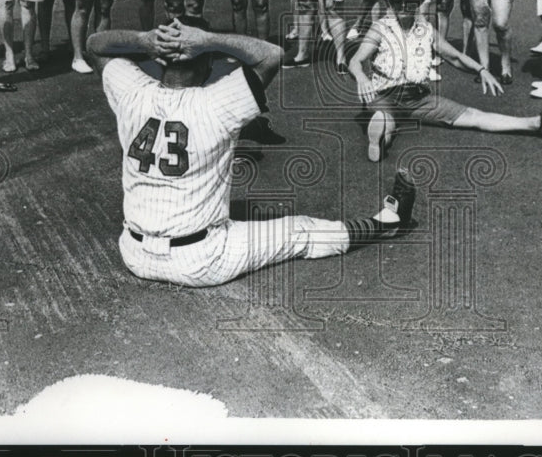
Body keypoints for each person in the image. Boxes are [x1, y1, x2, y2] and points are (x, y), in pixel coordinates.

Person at [86, 18, 419, 288]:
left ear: (160, 61)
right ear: (207, 66)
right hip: (200, 260)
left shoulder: (132, 91)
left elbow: (95, 45)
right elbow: (270, 55)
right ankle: (387, 222)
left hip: (133, 252)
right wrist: (209, 39)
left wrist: (145, 39)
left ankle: (386, 222)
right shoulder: (215, 102)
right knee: (299, 231)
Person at [349, 0, 542, 163]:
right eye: (401, 2)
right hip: (385, 94)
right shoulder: (381, 29)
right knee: (385, 119)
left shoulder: (425, 30)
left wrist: (481, 70)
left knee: (473, 116)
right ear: (392, 4)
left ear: (417, 4)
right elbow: (356, 61)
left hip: (419, 98)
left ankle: (534, 123)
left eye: (412, 2)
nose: (406, 6)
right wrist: (361, 78)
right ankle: (380, 138)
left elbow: (455, 57)